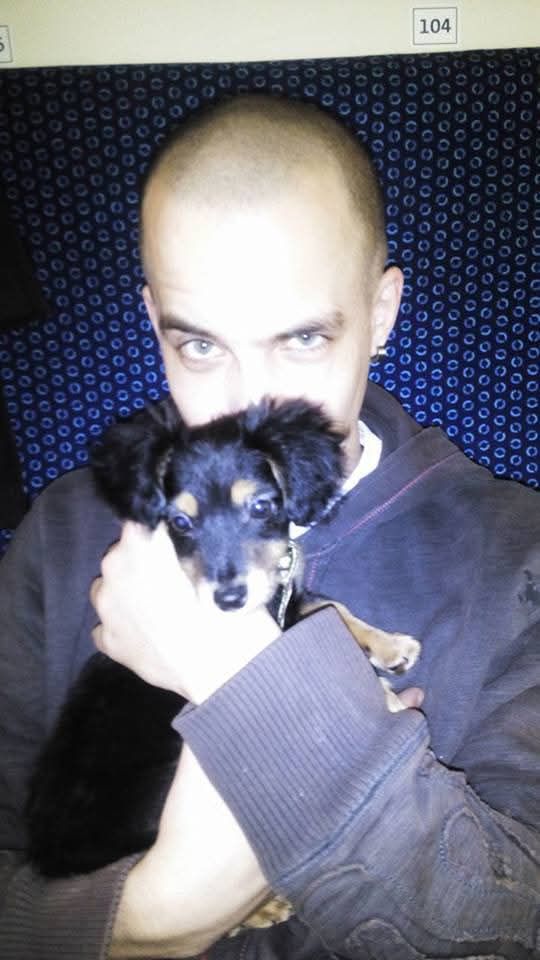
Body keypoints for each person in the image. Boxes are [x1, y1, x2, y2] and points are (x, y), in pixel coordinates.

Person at [0, 94, 538, 960]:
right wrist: (136, 923)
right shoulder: (62, 534)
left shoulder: (519, 557)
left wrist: (238, 671)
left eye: (301, 341)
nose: (248, 407)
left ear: (382, 314)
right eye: (200, 346)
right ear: (153, 323)